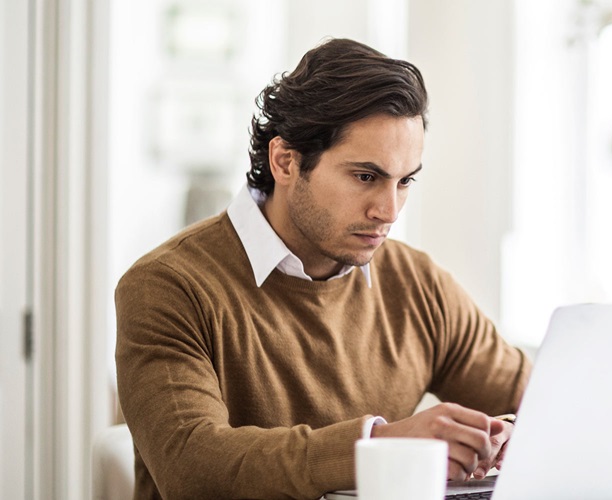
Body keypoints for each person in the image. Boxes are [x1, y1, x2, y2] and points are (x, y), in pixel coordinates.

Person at [115, 38, 531, 500]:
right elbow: (193, 467)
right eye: (366, 177)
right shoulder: (167, 286)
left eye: (405, 181)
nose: (389, 211)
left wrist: (511, 433)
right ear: (286, 161)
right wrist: (382, 444)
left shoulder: (417, 282)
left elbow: (536, 398)